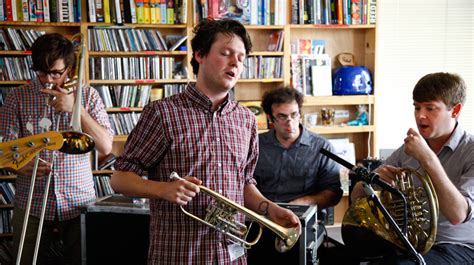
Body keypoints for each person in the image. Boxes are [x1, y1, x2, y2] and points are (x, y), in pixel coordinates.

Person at [110, 19, 300, 264]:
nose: (235, 63)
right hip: (179, 255)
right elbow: (120, 179)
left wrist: (269, 209)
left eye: (242, 58)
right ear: (200, 54)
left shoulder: (246, 120)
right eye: (226, 53)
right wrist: (163, 190)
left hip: (231, 256)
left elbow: (243, 183)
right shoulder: (162, 113)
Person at [0, 33, 113, 264]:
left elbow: (106, 145)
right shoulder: (16, 98)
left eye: (55, 73)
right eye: (41, 72)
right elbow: (3, 152)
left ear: (69, 69)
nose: (47, 80)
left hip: (78, 200)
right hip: (31, 202)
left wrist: (77, 109)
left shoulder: (89, 96)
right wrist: (20, 165)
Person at [351, 72, 474, 264]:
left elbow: (458, 214)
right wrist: (375, 177)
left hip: (457, 246)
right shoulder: (408, 149)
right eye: (416, 107)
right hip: (409, 243)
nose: (420, 116)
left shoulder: (470, 151)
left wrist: (428, 159)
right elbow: (356, 197)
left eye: (430, 108)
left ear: (455, 110)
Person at [247, 87, 343, 264]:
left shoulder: (322, 147)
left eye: (294, 115)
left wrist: (301, 203)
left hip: (303, 222)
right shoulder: (256, 145)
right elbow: (245, 186)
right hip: (263, 219)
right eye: (282, 117)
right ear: (271, 119)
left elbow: (334, 193)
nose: (290, 122)